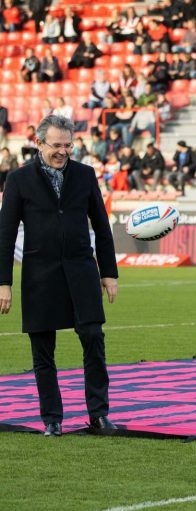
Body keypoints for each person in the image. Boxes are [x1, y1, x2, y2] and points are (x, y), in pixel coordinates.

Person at [0, 115, 120, 437]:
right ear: (39, 143)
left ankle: (99, 414)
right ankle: (52, 419)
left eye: (68, 145)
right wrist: (4, 283)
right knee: (43, 352)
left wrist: (109, 272)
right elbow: (5, 235)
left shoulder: (85, 175)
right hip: (40, 276)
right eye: (57, 145)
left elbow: (102, 227)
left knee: (94, 338)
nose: (63, 152)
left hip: (82, 271)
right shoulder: (18, 180)